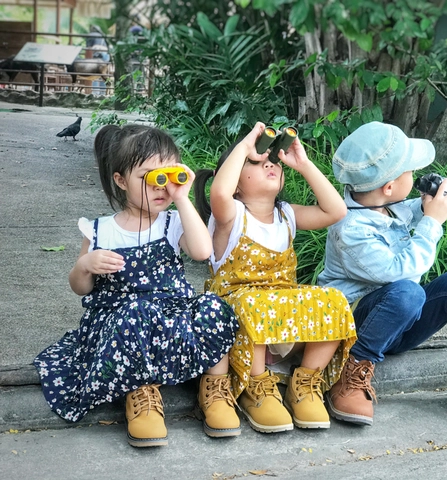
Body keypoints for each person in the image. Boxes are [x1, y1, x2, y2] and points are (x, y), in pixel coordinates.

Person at [34, 124, 240, 447]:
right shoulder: (101, 230)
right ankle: (141, 393)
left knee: (214, 306)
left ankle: (214, 388)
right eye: (150, 178)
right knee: (135, 312)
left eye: (169, 176)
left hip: (171, 320)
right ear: (120, 180)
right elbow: (80, 287)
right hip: (123, 329)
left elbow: (203, 252)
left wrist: (183, 199)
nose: (163, 187)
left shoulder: (172, 223)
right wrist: (85, 266)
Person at [318, 121, 447, 436]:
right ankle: (351, 375)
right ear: (388, 187)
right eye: (409, 173)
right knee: (409, 292)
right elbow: (404, 273)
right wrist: (431, 222)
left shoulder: (387, 205)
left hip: (398, 323)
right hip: (352, 329)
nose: (413, 180)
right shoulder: (350, 229)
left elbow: (443, 198)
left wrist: (441, 192)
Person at [194, 123, 357, 434]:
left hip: (281, 323)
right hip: (238, 319)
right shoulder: (229, 215)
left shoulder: (287, 216)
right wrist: (244, 147)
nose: (268, 162)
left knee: (333, 298)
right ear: (236, 183)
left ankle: (305, 385)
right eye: (254, 162)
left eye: (273, 160)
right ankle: (257, 387)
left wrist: (304, 164)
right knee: (255, 303)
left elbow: (336, 211)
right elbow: (219, 191)